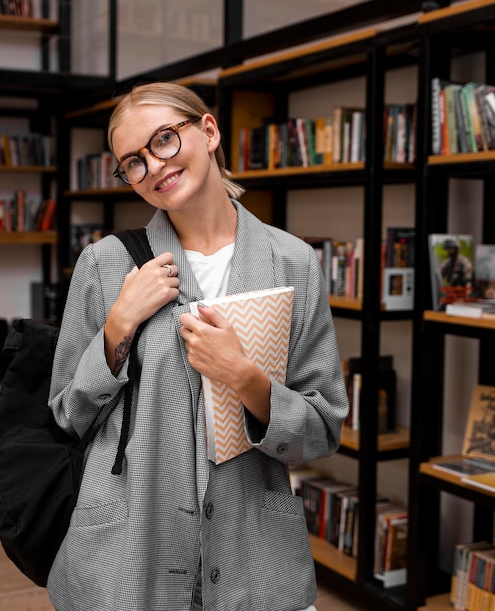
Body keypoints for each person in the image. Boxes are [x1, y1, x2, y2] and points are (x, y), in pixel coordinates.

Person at [47, 81, 349, 611]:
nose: (154, 167)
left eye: (164, 139)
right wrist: (120, 323)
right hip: (131, 557)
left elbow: (322, 432)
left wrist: (245, 378)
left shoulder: (295, 262)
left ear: (208, 131)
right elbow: (68, 416)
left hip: (255, 560)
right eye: (132, 162)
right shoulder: (105, 266)